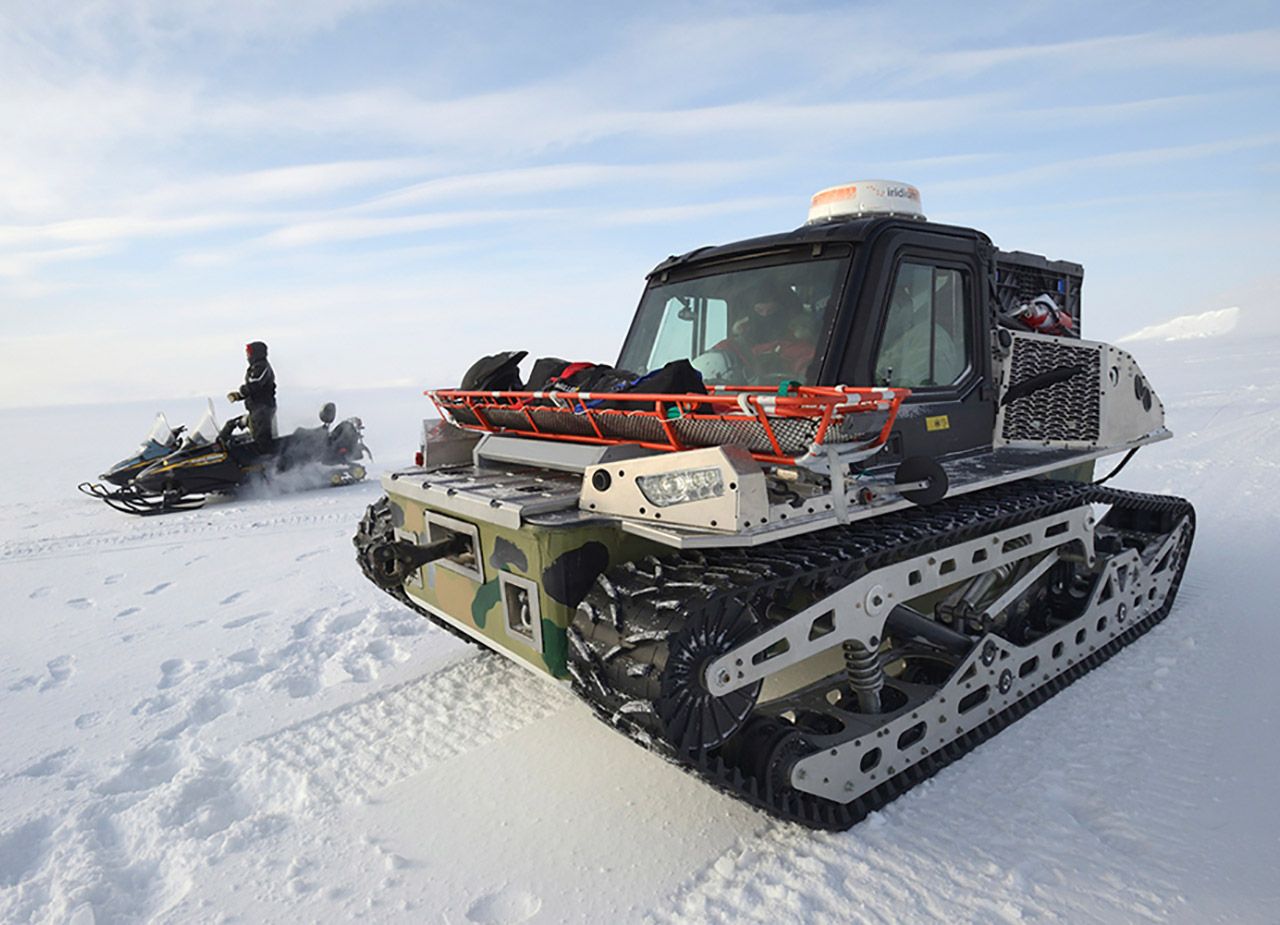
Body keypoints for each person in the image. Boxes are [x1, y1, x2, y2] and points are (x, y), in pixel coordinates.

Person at [226, 341, 277, 453]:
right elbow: (255, 389)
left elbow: (255, 383)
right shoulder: (256, 367)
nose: (247, 356)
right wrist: (239, 396)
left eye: (249, 353)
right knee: (254, 437)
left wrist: (242, 391)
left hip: (263, 409)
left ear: (256, 353)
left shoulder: (261, 366)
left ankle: (269, 463)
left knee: (262, 441)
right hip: (256, 409)